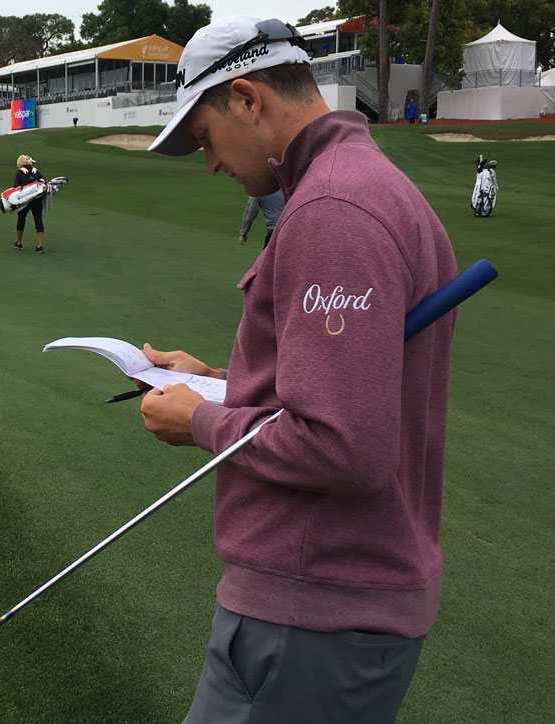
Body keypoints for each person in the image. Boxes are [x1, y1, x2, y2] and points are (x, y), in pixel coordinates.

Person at [143, 16, 458, 724]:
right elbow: (340, 383)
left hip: (315, 612)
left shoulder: (332, 209)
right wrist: (223, 381)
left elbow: (344, 445)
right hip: (329, 610)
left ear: (249, 101)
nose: (212, 164)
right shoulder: (359, 186)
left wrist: (200, 419)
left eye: (205, 140)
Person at [12, 154, 46, 253]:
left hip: (24, 202)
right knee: (38, 220)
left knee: (21, 219)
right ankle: (39, 246)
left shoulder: (19, 173)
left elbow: (16, 188)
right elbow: (43, 184)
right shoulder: (37, 172)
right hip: (36, 200)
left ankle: (19, 243)